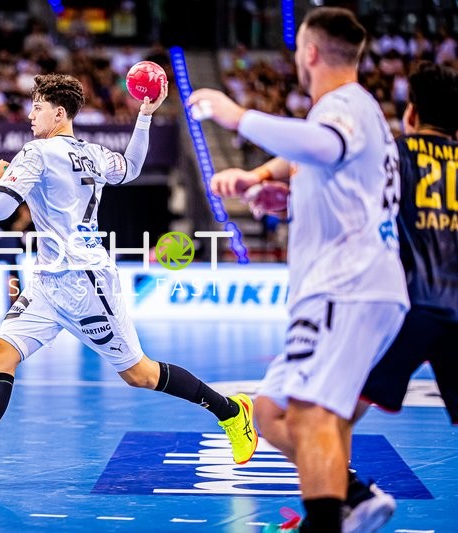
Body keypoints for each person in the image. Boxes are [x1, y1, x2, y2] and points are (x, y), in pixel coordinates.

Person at [0, 73, 258, 489]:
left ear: (59, 113)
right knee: (0, 353)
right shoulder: (93, 153)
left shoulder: (36, 153)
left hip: (84, 285)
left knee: (140, 374)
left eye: (37, 107)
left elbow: (0, 211)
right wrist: (144, 116)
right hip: (48, 283)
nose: (30, 114)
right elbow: (129, 169)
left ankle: (231, 412)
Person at [188, 7, 409, 532]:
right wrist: (279, 195)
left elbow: (323, 145)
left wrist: (236, 116)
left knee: (312, 415)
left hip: (347, 287)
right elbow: (340, 187)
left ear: (309, 52)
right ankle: (349, 494)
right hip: (344, 286)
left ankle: (329, 516)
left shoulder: (344, 107)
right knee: (270, 411)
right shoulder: (356, 114)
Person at [340, 61, 458, 533]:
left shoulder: (395, 155)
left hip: (406, 310)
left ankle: (346, 501)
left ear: (411, 114)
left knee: (336, 412)